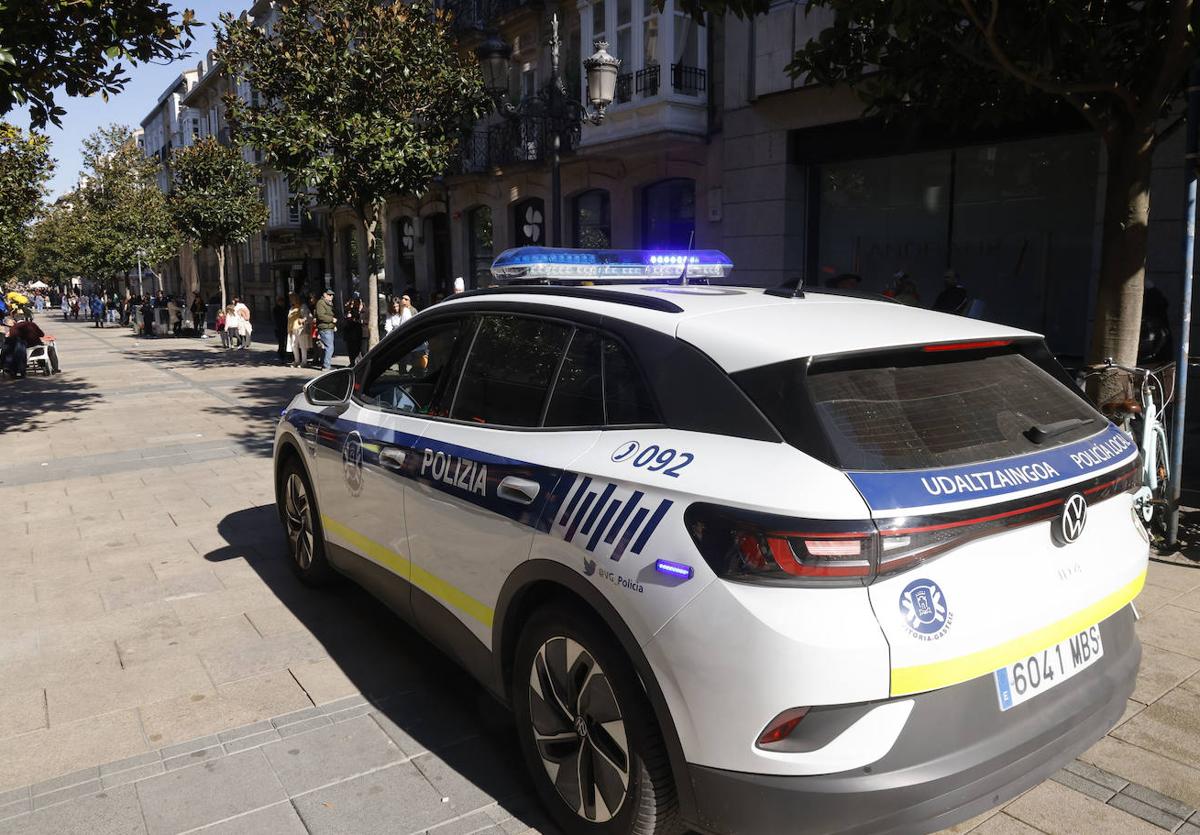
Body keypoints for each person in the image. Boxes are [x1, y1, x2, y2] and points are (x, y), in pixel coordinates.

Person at [287, 293, 313, 367]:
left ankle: (304, 362)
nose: (291, 300)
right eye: (291, 299)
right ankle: (296, 360)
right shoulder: (292, 308)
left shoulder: (303, 306)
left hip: (301, 329)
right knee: (293, 345)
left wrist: (302, 320)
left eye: (293, 298)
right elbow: (289, 319)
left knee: (303, 346)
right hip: (293, 329)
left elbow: (308, 317)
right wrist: (289, 329)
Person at [315, 288, 337, 370]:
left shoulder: (329, 303)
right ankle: (326, 366)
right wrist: (331, 320)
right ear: (324, 295)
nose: (331, 296)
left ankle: (325, 363)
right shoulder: (321, 303)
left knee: (327, 347)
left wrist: (333, 325)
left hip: (329, 327)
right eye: (329, 295)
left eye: (332, 295)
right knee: (330, 347)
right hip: (324, 328)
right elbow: (321, 316)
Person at [342, 291, 364, 365]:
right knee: (350, 349)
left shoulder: (358, 311)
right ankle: (352, 362)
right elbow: (345, 320)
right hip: (349, 332)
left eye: (353, 303)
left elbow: (358, 319)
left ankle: (357, 362)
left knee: (357, 349)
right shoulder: (348, 310)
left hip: (356, 332)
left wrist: (353, 318)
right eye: (351, 303)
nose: (352, 304)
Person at [272, 296, 288, 363]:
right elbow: (277, 319)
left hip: (284, 327)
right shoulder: (276, 309)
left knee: (284, 342)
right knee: (281, 342)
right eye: (280, 302)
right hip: (279, 328)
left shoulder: (284, 308)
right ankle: (281, 355)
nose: (282, 303)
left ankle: (283, 354)